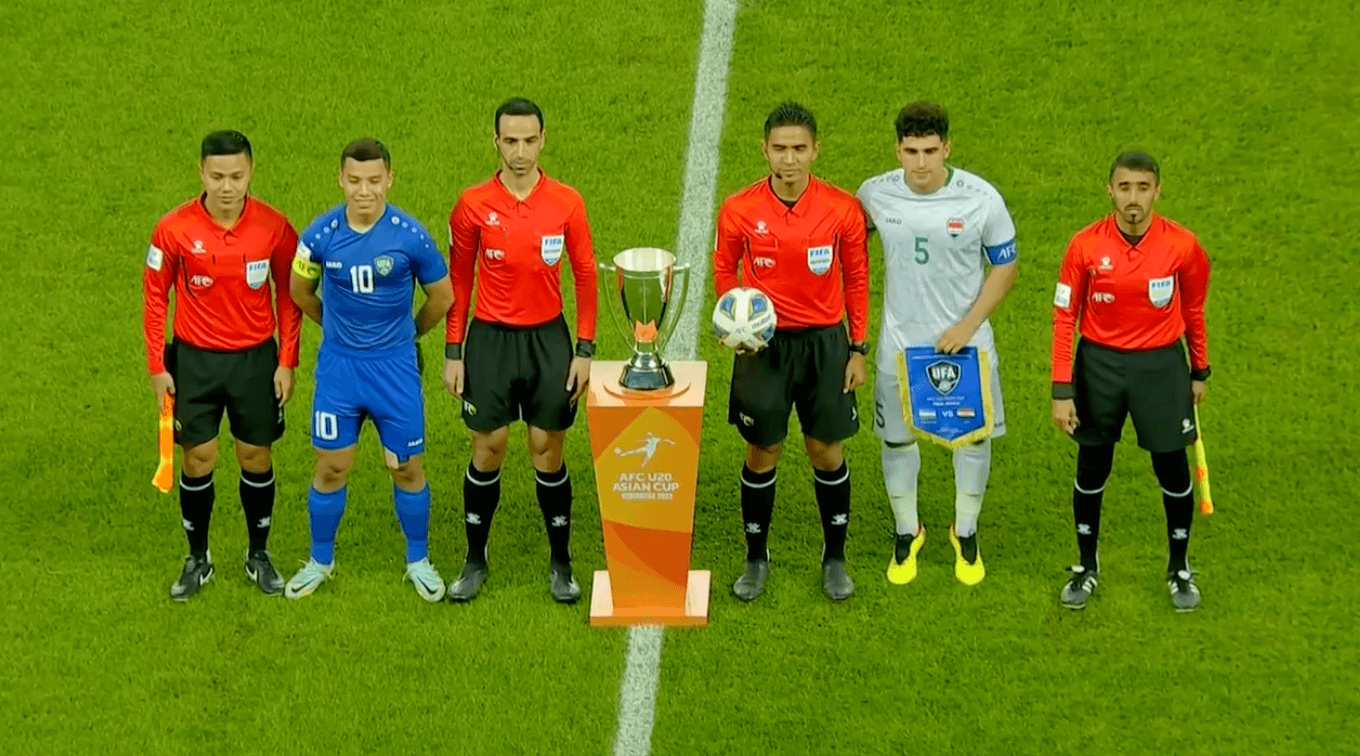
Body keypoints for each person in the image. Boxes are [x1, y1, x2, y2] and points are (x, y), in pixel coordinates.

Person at [712, 102, 869, 602]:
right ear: (764, 150)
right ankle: (756, 559)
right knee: (763, 450)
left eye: (799, 148)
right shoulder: (739, 209)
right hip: (764, 347)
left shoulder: (841, 208)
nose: (790, 159)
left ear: (815, 150)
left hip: (825, 344)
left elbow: (858, 279)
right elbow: (724, 268)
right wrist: (731, 319)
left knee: (825, 450)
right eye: (780, 149)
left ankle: (835, 558)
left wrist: (858, 347)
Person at [285, 138, 454, 602]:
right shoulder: (319, 235)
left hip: (394, 370)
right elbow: (300, 291)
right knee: (332, 467)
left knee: (405, 468)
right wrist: (335, 328)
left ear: (389, 180)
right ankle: (321, 560)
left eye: (374, 181)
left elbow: (442, 296)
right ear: (340, 179)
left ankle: (418, 560)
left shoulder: (409, 235)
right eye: (355, 181)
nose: (365, 191)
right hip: (340, 369)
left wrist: (408, 335)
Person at [442, 98, 597, 604]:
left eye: (529, 140)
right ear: (496, 143)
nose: (520, 151)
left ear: (543, 140)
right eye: (510, 141)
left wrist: (585, 349)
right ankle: (474, 558)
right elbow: (459, 280)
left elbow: (586, 273)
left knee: (545, 450)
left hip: (547, 341)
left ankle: (561, 563)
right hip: (488, 340)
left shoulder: (567, 202)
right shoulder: (472, 204)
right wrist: (453, 350)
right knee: (487, 449)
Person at [857, 101, 1018, 587]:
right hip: (899, 349)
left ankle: (965, 531)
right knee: (897, 438)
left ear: (947, 147)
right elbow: (849, 247)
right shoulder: (874, 195)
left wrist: (968, 326)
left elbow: (1005, 265)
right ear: (897, 151)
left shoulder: (981, 199)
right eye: (911, 151)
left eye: (931, 151)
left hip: (965, 348)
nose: (921, 163)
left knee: (971, 439)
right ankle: (908, 531)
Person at [143, 130, 302, 600]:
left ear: (251, 171)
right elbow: (155, 298)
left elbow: (289, 296)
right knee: (198, 459)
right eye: (217, 176)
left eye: (236, 175)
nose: (227, 186)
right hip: (194, 363)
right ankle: (198, 559)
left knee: (255, 455)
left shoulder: (274, 226)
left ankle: (258, 555)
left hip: (256, 362)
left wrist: (287, 361)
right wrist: (158, 366)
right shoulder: (172, 229)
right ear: (201, 174)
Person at [1051, 151, 1211, 612]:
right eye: (1125, 188)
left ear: (1157, 190)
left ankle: (1179, 568)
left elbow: (1194, 310)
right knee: (1092, 466)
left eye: (1143, 187)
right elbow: (1065, 319)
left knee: (1171, 468)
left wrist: (1199, 369)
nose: (1133, 198)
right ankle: (1085, 566)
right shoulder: (1084, 246)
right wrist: (1063, 391)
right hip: (1099, 366)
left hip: (1161, 368)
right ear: (1110, 191)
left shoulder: (1182, 246)